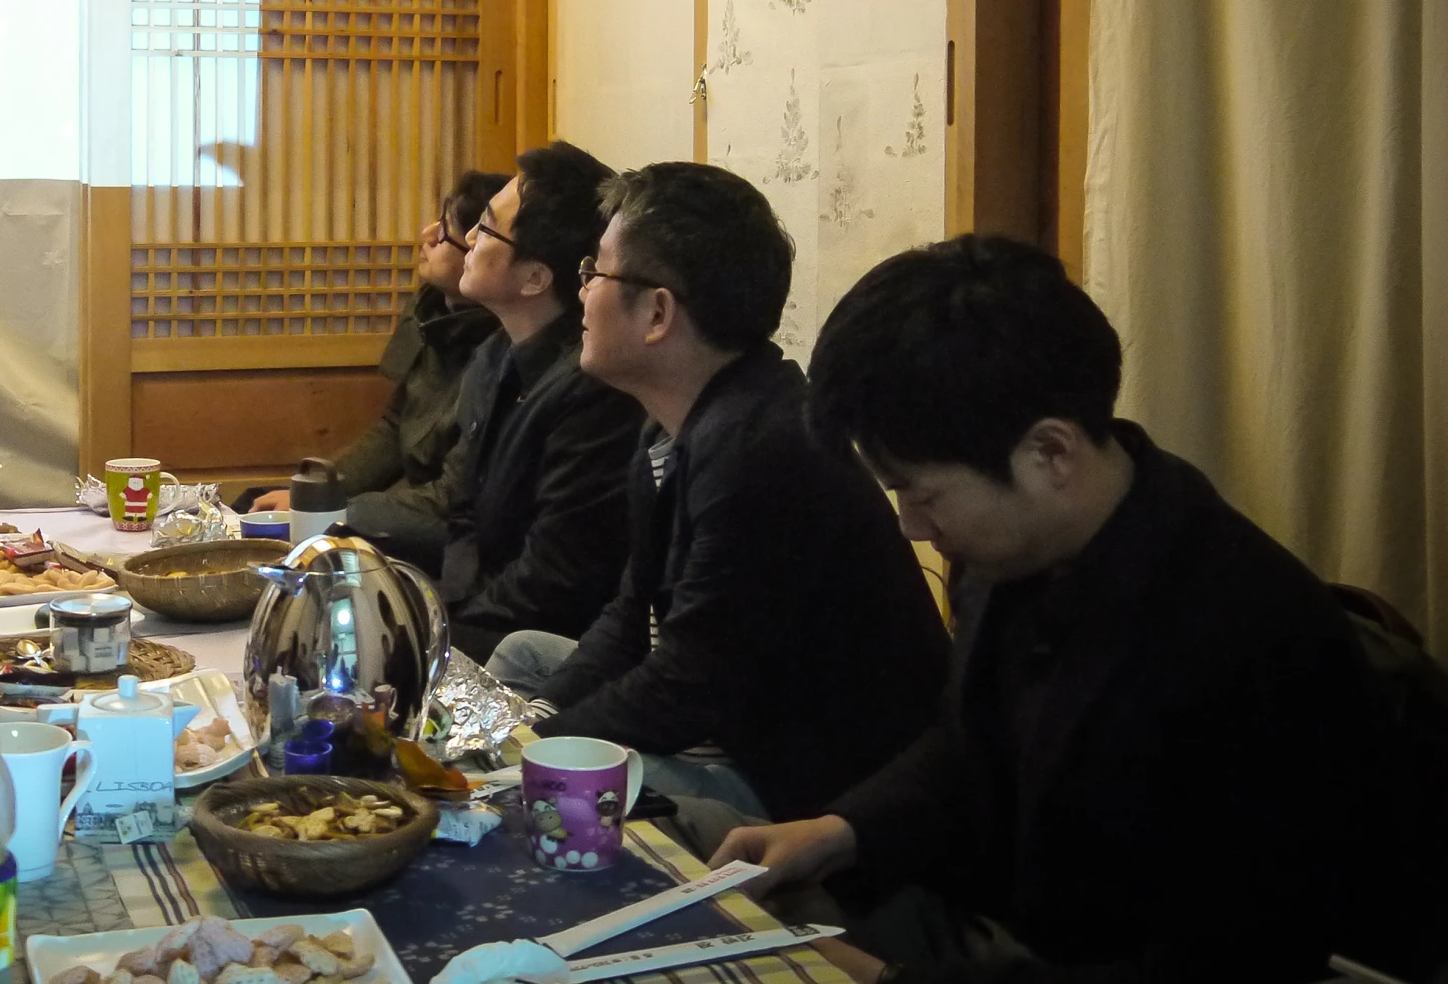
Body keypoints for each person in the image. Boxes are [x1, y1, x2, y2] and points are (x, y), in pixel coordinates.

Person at [711, 237, 1444, 984]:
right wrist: (839, 830)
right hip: (1008, 933)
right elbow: (971, 744)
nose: (911, 525)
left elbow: (1226, 959)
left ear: (1051, 453)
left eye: (922, 492)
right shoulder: (1013, 554)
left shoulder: (1248, 632)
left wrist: (882, 980)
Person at [488, 163, 946, 832]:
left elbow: (685, 685)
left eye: (595, 272)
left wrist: (531, 750)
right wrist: (539, 725)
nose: (581, 292)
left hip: (782, 775)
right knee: (524, 657)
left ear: (656, 312)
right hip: (720, 717)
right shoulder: (675, 418)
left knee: (526, 784)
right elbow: (629, 611)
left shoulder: (763, 450)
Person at [439, 141, 645, 661]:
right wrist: (451, 611)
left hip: (545, 640)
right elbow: (462, 511)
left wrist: (448, 637)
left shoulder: (592, 386)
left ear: (535, 276)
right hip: (480, 614)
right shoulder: (493, 354)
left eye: (484, 227)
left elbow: (555, 576)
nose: (466, 238)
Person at [254, 170, 507, 571]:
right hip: (401, 506)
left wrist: (335, 512)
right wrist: (316, 493)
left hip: (441, 539)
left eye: (445, 231)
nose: (427, 234)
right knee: (253, 505)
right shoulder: (433, 313)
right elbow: (394, 426)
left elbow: (450, 496)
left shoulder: (502, 349)